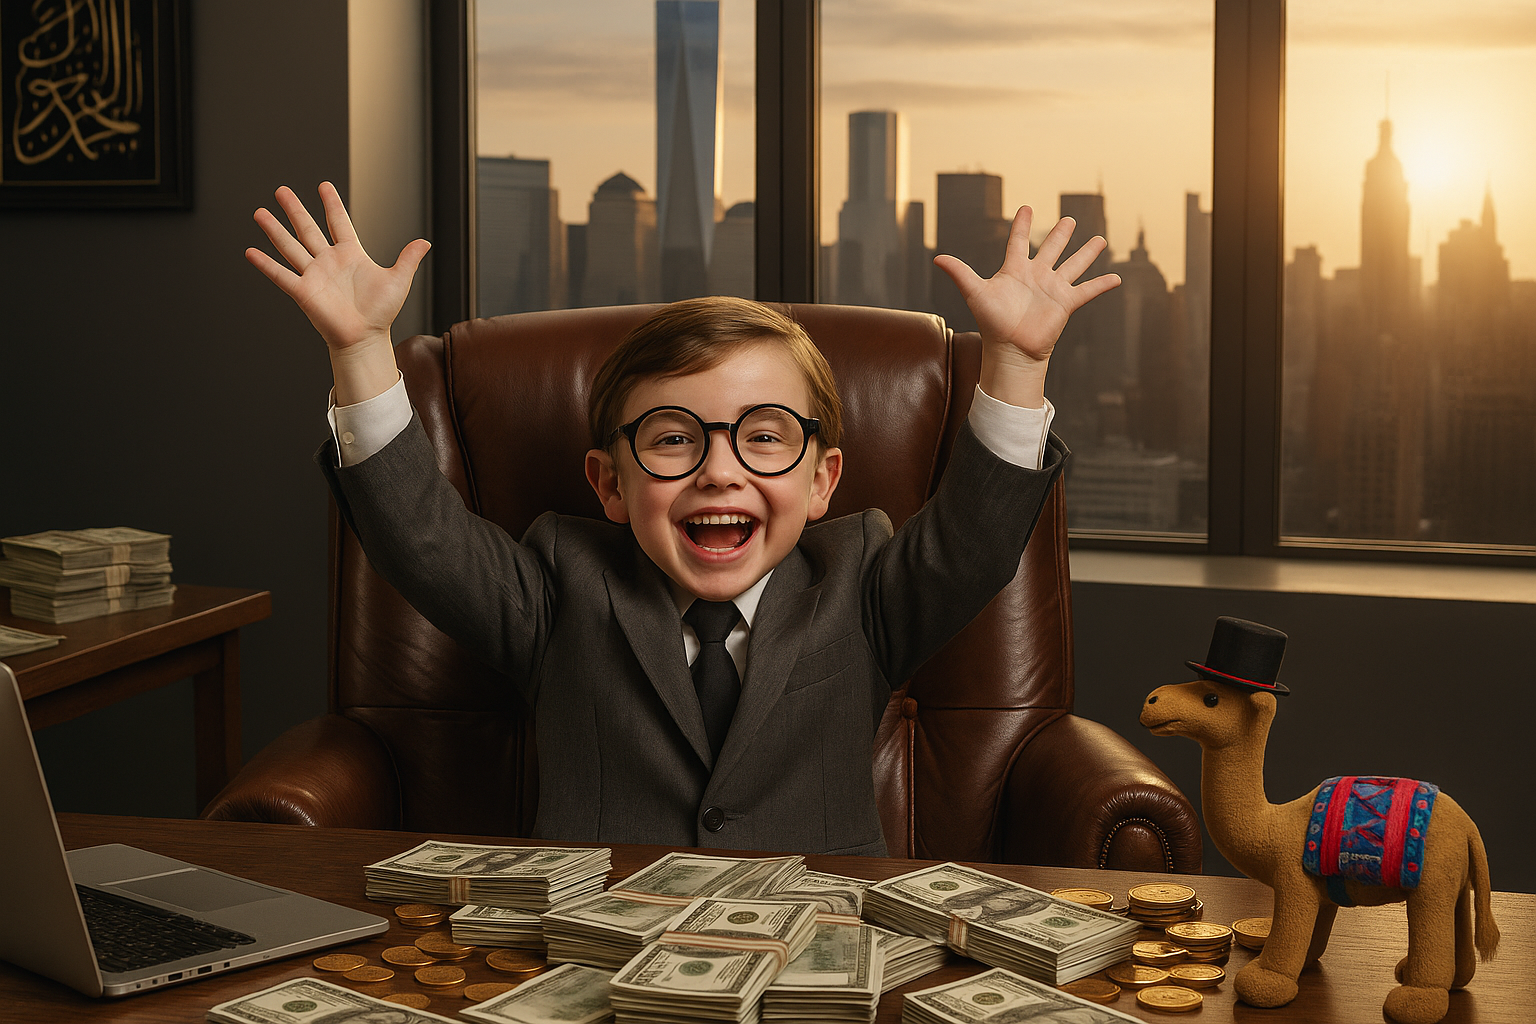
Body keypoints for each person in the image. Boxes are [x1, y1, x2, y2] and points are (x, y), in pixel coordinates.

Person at [245, 182, 1120, 856]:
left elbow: (974, 540)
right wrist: (360, 352)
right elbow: (422, 540)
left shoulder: (860, 585)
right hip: (601, 962)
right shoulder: (558, 585)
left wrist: (1014, 362)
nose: (718, 471)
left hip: (812, 964)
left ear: (824, 483)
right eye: (673, 441)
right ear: (610, 484)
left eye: (764, 438)